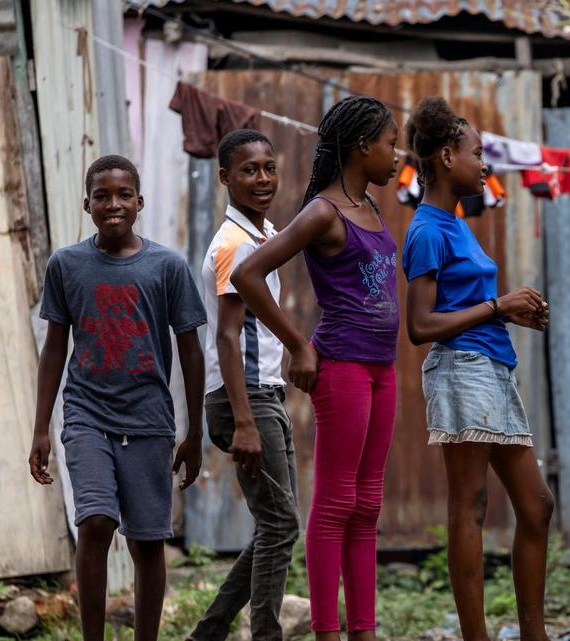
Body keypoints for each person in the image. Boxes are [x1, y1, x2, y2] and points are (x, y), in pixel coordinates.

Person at [231, 96, 400, 641]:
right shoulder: (323, 211)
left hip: (383, 368)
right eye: (390, 142)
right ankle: (328, 630)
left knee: (368, 502)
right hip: (344, 366)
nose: (397, 154)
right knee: (335, 504)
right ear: (361, 146)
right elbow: (249, 274)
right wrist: (298, 345)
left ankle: (364, 630)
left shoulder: (371, 208)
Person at [28, 155, 206, 641]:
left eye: (124, 194)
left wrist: (195, 433)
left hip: (149, 419)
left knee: (148, 543)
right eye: (102, 196)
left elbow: (191, 351)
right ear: (86, 204)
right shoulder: (66, 264)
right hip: (86, 413)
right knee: (97, 521)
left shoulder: (167, 266)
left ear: (140, 202)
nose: (113, 204)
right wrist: (42, 426)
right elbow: (54, 349)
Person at [401, 96, 553, 641]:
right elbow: (420, 326)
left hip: (491, 365)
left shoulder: (455, 221)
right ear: (445, 157)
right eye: (475, 153)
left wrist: (511, 315)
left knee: (536, 506)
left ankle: (534, 633)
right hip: (461, 368)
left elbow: (463, 306)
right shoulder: (427, 230)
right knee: (471, 505)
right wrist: (499, 307)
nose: (484, 164)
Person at [190, 129, 299, 641]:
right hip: (246, 399)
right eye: (249, 170)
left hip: (261, 394)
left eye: (268, 168)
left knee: (277, 524)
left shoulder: (260, 234)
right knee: (280, 526)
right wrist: (247, 423)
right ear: (225, 178)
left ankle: (208, 632)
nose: (262, 179)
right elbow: (228, 337)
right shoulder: (233, 244)